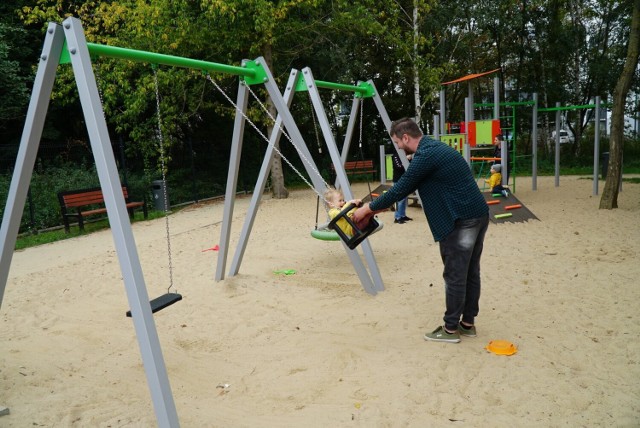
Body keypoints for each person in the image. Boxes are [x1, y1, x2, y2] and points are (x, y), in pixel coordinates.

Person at [353, 118, 490, 343]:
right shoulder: (432, 148)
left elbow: (401, 188)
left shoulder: (426, 156)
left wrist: (367, 208)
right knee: (470, 272)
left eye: (397, 141)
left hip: (461, 219)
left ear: (406, 137)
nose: (397, 146)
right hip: (477, 214)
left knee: (455, 274)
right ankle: (467, 324)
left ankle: (450, 329)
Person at [391, 152, 413, 224]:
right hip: (398, 180)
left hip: (405, 179)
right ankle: (397, 217)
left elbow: (410, 166)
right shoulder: (395, 155)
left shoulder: (404, 155)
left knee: (404, 199)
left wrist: (409, 159)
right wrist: (406, 159)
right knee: (399, 199)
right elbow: (398, 166)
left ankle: (403, 215)